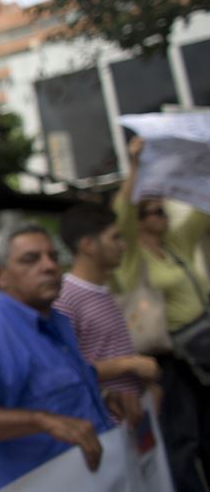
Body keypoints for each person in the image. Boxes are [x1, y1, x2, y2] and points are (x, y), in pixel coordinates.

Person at [0, 223, 140, 491]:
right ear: (1, 276)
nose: (49, 266)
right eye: (30, 259)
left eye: (53, 257)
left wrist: (102, 398)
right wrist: (43, 421)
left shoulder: (58, 322)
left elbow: (57, 385)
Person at [113, 136, 210, 492]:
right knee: (182, 438)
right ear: (140, 221)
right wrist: (135, 166)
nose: (163, 216)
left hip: (201, 349)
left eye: (163, 210)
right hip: (168, 358)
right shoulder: (131, 256)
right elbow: (121, 213)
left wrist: (196, 163)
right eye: (155, 211)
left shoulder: (175, 245)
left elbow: (202, 211)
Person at [54, 203, 159, 418]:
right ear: (88, 245)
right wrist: (129, 364)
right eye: (115, 238)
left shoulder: (100, 289)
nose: (123, 245)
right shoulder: (65, 298)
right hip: (104, 424)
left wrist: (147, 386)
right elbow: (65, 371)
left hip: (132, 420)